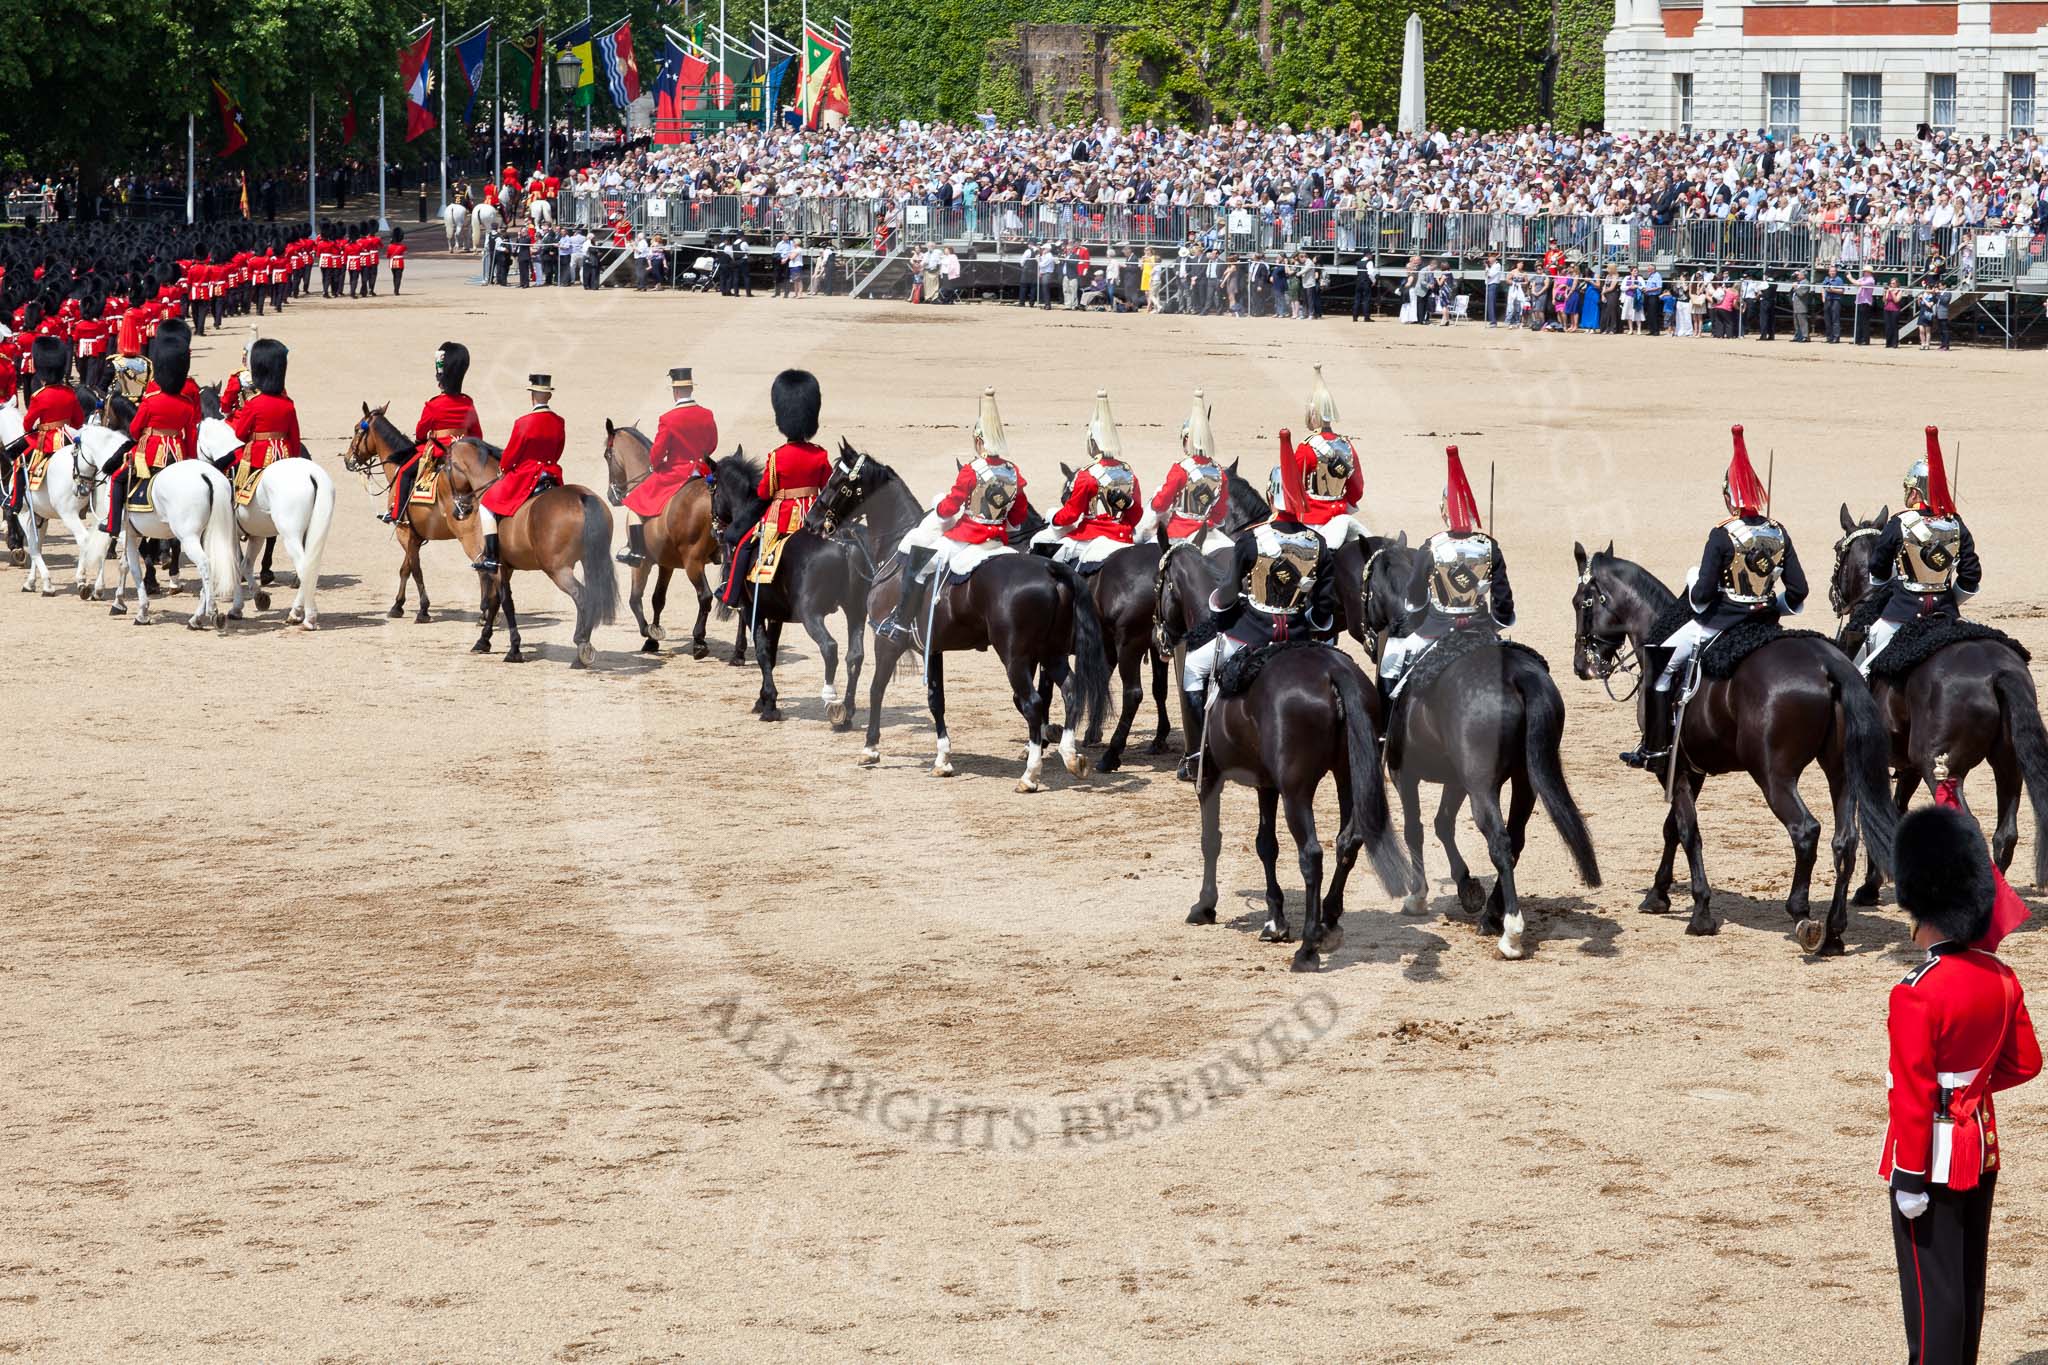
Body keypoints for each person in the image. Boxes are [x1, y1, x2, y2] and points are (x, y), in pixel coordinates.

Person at [1883, 801, 2038, 1365]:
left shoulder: (1916, 990)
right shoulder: (2000, 976)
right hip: (1982, 1147)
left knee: (1932, 1296)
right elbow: (2025, 1064)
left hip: (1931, 1157)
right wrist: (1971, 1092)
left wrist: (1908, 1175)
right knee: (1967, 1280)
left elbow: (1915, 1092)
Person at [1620, 424, 1808, 770]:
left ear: (1728, 496)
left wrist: (1694, 582)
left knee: (1660, 667)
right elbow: (1799, 591)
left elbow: (1703, 596)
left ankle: (1655, 747)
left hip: (1721, 623)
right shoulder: (1778, 531)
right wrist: (1770, 605)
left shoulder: (1722, 535)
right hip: (1767, 624)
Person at [1177, 453, 1338, 779]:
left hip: (1250, 635)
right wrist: (1307, 622)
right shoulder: (1318, 544)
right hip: (1298, 639)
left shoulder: (1250, 541)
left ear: (1269, 496)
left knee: (1193, 668)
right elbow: (1324, 612)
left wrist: (1219, 606)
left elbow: (1225, 597)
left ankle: (1201, 753)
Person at [878, 388, 1030, 644]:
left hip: (967, 538)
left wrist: (940, 508)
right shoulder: (1012, 471)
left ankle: (901, 623)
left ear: (979, 440)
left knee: (918, 562)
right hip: (997, 540)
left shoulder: (972, 470)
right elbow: (1018, 516)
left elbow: (951, 506)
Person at [1376, 445, 1515, 701]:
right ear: (1471, 510)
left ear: (1444, 510)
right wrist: (1494, 624)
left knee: (1392, 660)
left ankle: (1384, 732)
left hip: (1436, 630)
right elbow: (1504, 606)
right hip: (1481, 630)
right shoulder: (1489, 546)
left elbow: (1415, 600)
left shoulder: (1431, 547)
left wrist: (1420, 615)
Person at [1853, 426, 1981, 675]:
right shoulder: (1955, 524)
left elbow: (1878, 570)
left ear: (1916, 490)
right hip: (1946, 614)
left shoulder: (1900, 523)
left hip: (1901, 613)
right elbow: (1971, 578)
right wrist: (1950, 600)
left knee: (1861, 668)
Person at [721, 368, 829, 604]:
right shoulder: (820, 454)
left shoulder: (777, 456)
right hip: (813, 516)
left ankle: (731, 594)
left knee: (744, 546)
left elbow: (764, 492)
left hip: (782, 517)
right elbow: (827, 486)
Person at [618, 367, 718, 568]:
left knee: (634, 504)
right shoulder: (707, 414)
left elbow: (656, 453)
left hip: (675, 473)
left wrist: (658, 465)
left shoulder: (668, 419)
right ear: (691, 389)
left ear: (676, 392)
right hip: (701, 470)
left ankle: (637, 552)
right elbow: (712, 444)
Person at [1034, 390, 1141, 570]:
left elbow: (1071, 515)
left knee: (1044, 553)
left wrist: (1053, 517)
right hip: (1123, 537)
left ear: (1093, 442)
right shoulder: (1129, 473)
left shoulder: (1086, 475)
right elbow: (1136, 516)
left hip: (1091, 537)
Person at [471, 373, 564, 572]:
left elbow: (510, 456)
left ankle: (492, 557)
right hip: (552, 473)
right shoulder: (559, 421)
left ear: (532, 396)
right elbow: (558, 451)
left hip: (527, 475)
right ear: (549, 396)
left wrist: (504, 469)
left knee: (486, 504)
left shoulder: (524, 422)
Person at [112, 323, 197, 534]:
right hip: (178, 452)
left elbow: (134, 430)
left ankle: (113, 524)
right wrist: (190, 459)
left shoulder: (151, 400)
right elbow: (192, 434)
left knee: (117, 478)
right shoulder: (187, 402)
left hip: (150, 452)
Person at [383, 342, 482, 524]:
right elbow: (477, 435)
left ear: (442, 379)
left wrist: (426, 439)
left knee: (404, 471)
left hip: (438, 450)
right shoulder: (468, 403)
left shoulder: (434, 404)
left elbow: (421, 431)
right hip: (464, 451)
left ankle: (397, 514)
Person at [1284, 364, 1365, 549]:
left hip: (1314, 519)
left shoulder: (1306, 448)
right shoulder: (1346, 445)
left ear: (1314, 414)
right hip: (1341, 514)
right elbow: (1357, 487)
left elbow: (1293, 487)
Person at [1138, 389, 1230, 546]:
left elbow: (1160, 505)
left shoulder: (1181, 469)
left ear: (1187, 438)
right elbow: (1220, 514)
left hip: (1178, 533)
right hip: (1206, 532)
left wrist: (1156, 499)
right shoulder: (1220, 473)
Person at [11, 337, 82, 518]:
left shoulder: (39, 396)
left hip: (47, 440)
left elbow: (27, 423)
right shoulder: (69, 392)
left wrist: (38, 427)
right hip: (68, 436)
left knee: (20, 461)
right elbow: (78, 421)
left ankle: (16, 502)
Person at [226, 337, 302, 482]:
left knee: (224, 469)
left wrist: (254, 439)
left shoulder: (253, 403)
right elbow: (294, 438)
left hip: (258, 457)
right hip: (285, 454)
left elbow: (240, 433)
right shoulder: (288, 404)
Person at [218, 329, 259, 419]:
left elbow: (226, 402)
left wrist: (226, 411)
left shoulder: (237, 378)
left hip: (241, 418)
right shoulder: (270, 375)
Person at [387, 226, 407, 295]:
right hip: (400, 263)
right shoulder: (403, 247)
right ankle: (396, 290)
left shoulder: (389, 246)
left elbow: (388, 256)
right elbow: (404, 248)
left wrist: (391, 242)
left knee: (394, 276)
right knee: (398, 277)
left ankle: (395, 289)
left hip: (392, 263)